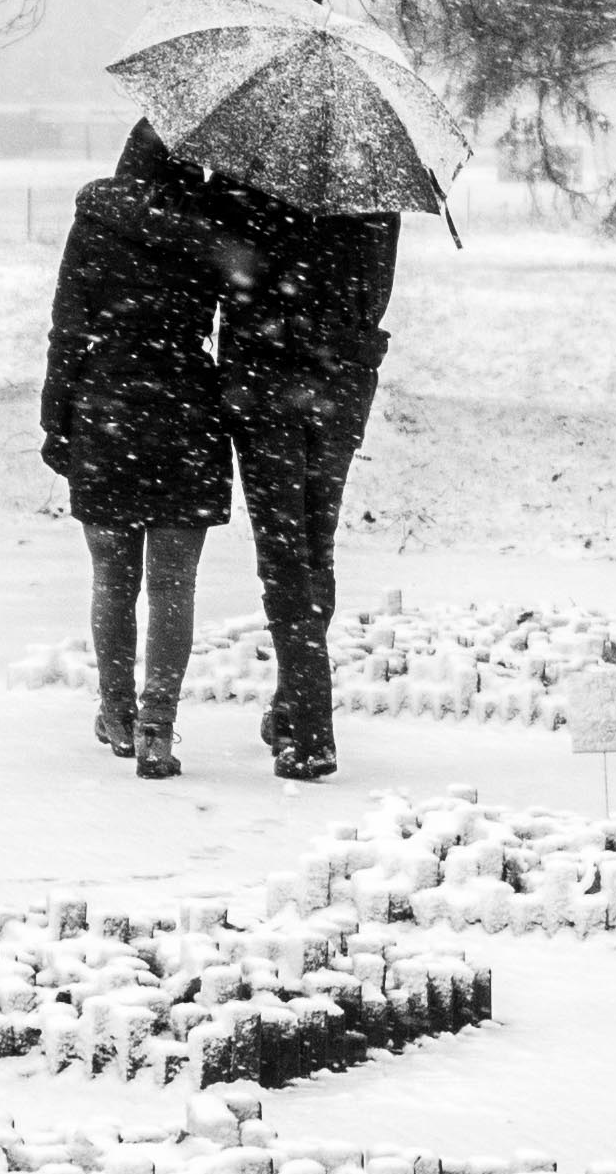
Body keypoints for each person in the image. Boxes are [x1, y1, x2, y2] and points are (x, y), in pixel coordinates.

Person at [37, 124, 245, 777]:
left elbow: (68, 327)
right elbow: (239, 319)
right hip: (185, 410)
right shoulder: (212, 227)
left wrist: (56, 420)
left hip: (108, 409)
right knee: (173, 584)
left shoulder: (96, 220)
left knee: (112, 579)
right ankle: (157, 729)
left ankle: (117, 714)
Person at [213, 172, 402, 780]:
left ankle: (312, 727)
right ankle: (294, 707)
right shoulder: (375, 181)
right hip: (341, 383)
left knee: (285, 555)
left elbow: (231, 281)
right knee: (314, 547)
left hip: (267, 382)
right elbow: (374, 294)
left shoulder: (251, 179)